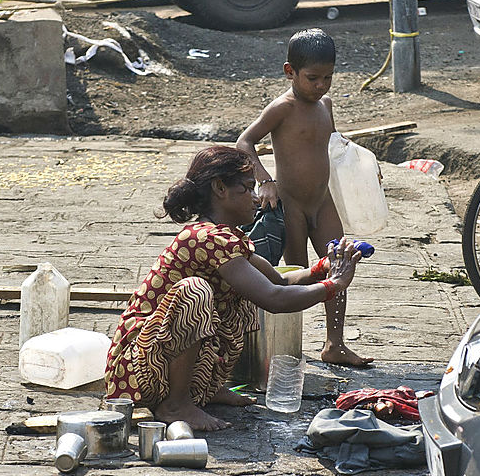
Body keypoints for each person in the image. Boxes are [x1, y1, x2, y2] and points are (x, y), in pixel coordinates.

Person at [103, 145, 363, 431]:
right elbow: (275, 299)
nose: (256, 198)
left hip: (158, 365)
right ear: (220, 188)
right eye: (248, 188)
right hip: (137, 371)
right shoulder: (205, 238)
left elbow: (279, 281)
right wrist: (334, 285)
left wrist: (323, 267)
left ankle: (206, 388)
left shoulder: (228, 238)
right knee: (195, 291)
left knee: (243, 293)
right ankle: (175, 405)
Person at [236, 28, 373, 368]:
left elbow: (335, 145)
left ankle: (334, 344)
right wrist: (265, 180)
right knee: (295, 277)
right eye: (313, 78)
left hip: (322, 202)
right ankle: (287, 346)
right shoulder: (282, 108)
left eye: (328, 77)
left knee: (340, 264)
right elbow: (244, 142)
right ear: (290, 72)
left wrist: (365, 167)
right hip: (292, 206)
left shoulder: (325, 104)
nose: (321, 86)